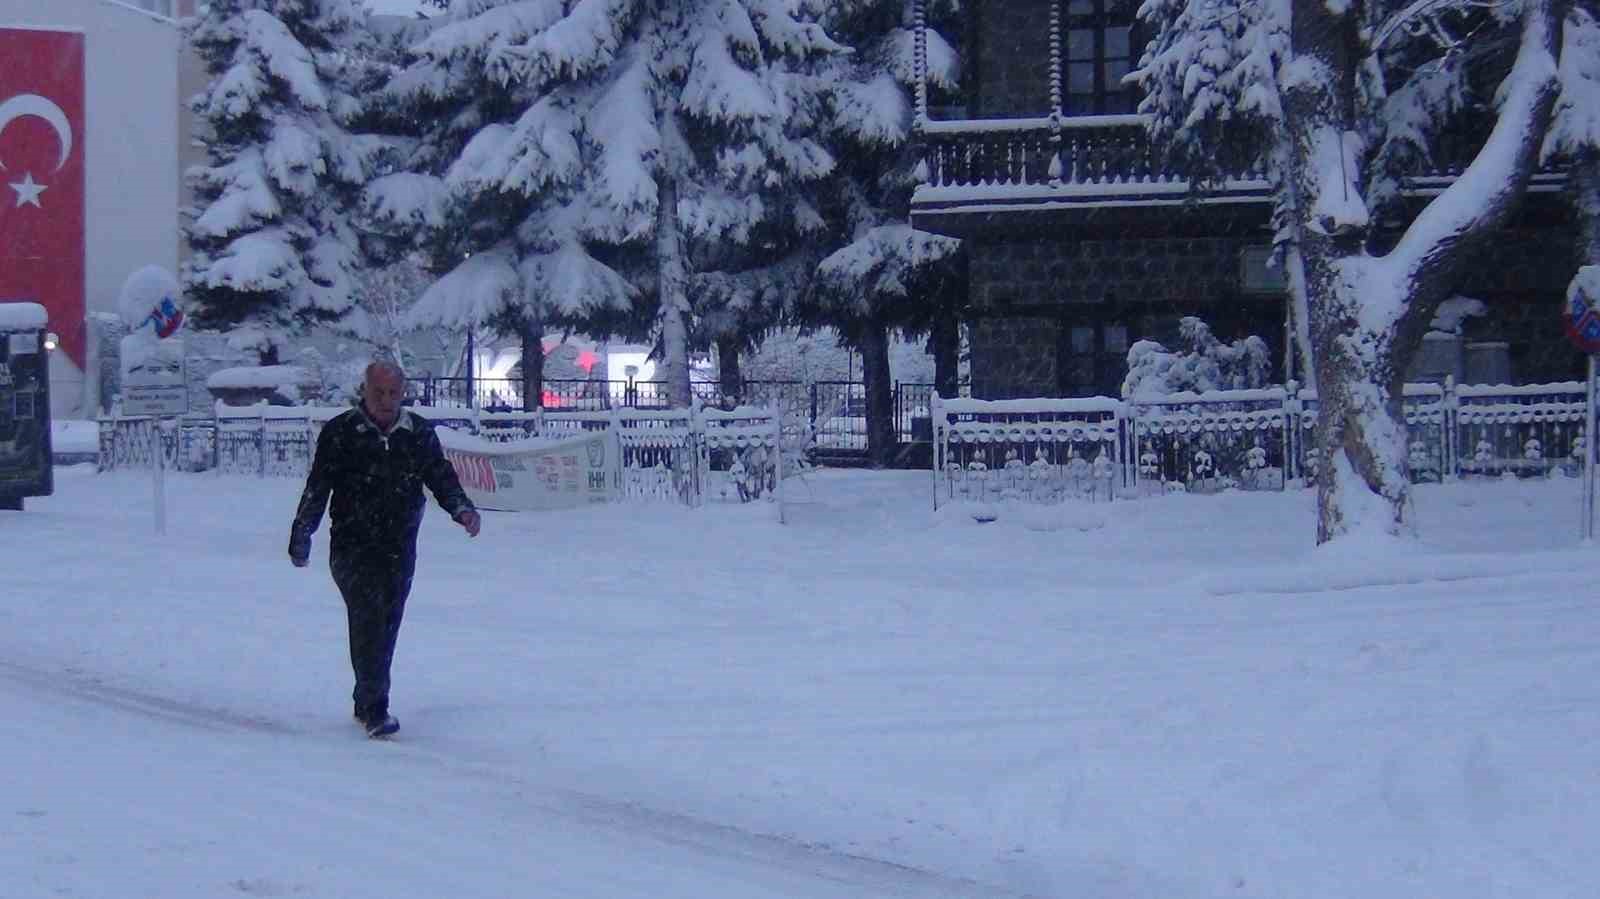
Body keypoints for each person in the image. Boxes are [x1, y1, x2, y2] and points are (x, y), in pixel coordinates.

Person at [288, 360, 482, 738]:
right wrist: (302, 533)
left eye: (394, 393)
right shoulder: (342, 432)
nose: (387, 400)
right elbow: (318, 486)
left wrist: (461, 509)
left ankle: (367, 699)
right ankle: (376, 709)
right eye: (379, 392)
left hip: (398, 545)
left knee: (387, 623)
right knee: (368, 618)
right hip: (352, 545)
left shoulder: (417, 433)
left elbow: (439, 475)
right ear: (365, 390)